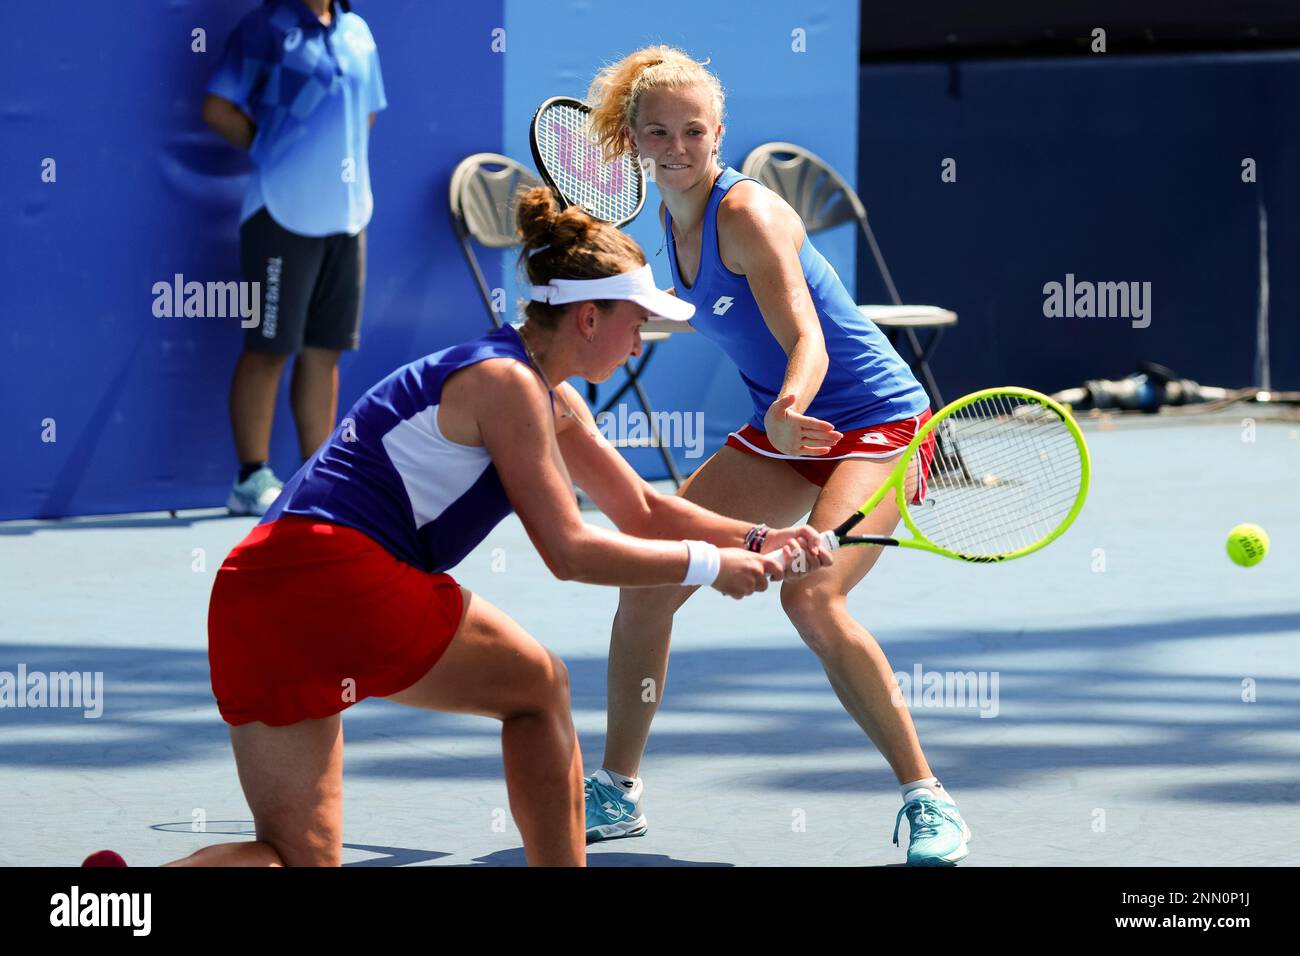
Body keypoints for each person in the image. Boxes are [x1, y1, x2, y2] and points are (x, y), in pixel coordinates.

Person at [83, 186, 829, 868]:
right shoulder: (507, 385)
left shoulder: (536, 389)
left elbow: (642, 509)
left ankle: (109, 902)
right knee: (538, 687)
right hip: (332, 574)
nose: (642, 343)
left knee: (292, 859)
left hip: (254, 596)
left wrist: (760, 539)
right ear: (589, 316)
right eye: (638, 323)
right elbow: (569, 550)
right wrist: (708, 567)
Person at [579, 45, 972, 865]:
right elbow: (690, 314)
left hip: (879, 424)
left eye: (695, 131)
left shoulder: (746, 215)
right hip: (785, 434)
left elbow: (808, 335)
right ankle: (616, 792)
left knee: (811, 598)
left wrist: (792, 402)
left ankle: (928, 800)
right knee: (649, 576)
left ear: (719, 132)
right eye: (660, 133)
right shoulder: (669, 223)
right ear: (637, 140)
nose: (680, 147)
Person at [202, 0, 385, 515]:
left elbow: (363, 114)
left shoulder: (358, 33)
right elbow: (217, 108)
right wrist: (275, 148)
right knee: (267, 348)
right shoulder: (264, 28)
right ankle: (249, 479)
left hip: (347, 217)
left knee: (324, 350)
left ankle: (314, 476)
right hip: (278, 214)